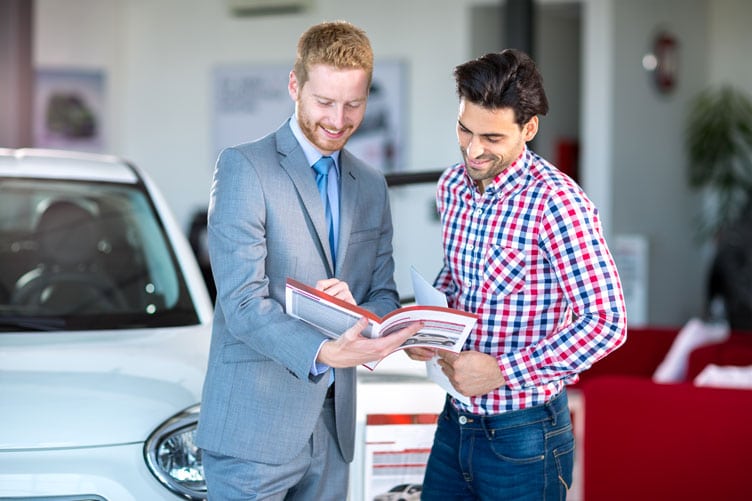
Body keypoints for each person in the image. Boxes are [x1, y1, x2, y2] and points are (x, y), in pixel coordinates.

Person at [196, 21, 422, 500]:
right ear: (295, 85)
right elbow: (241, 303)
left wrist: (366, 318)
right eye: (325, 102)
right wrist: (324, 350)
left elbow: (381, 291)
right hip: (253, 434)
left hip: (334, 430)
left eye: (353, 104)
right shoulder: (244, 167)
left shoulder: (372, 185)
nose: (339, 119)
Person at [406, 49, 628, 500]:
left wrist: (502, 372)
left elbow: (607, 323)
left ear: (528, 129)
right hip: (454, 421)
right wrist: (428, 325)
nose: (473, 149)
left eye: (491, 137)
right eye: (464, 129)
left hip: (526, 436)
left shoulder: (558, 204)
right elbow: (458, 277)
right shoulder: (452, 186)